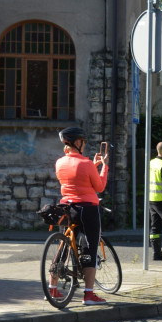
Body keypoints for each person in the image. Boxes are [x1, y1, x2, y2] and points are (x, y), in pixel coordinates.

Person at [52, 126, 110, 305]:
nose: (84, 145)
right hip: (87, 209)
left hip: (66, 207)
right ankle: (89, 294)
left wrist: (93, 165)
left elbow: (77, 179)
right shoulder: (85, 163)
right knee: (90, 247)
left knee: (63, 245)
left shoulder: (59, 162)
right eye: (83, 142)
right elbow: (99, 186)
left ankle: (52, 289)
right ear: (78, 143)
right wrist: (104, 167)